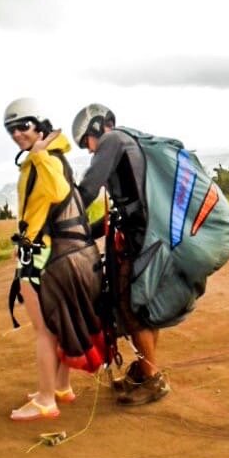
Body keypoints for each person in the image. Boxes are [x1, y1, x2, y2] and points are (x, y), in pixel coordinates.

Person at [4, 98, 104, 422]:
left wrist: (38, 156)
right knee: (57, 324)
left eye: (23, 126)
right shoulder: (53, 157)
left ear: (40, 125)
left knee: (44, 331)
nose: (17, 134)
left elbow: (58, 192)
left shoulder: (45, 160)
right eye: (10, 129)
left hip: (41, 255)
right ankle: (60, 386)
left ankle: (46, 400)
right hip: (55, 251)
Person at [72, 103, 171, 407]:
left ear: (97, 127)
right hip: (148, 237)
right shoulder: (128, 142)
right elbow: (118, 213)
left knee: (133, 308)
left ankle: (153, 380)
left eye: (86, 142)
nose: (90, 150)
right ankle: (144, 369)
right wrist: (84, 231)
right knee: (143, 308)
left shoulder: (112, 140)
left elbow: (87, 190)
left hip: (140, 242)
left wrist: (61, 219)